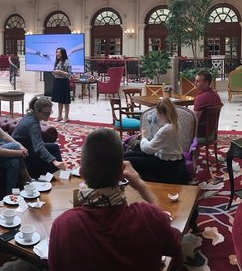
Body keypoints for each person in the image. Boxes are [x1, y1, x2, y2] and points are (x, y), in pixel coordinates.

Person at [49, 128, 182, 271]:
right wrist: (140, 184)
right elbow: (174, 243)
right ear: (121, 172)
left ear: (81, 173)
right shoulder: (149, 216)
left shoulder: (64, 225)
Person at [124, 98, 186, 184]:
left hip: (168, 163)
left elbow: (148, 149)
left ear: (161, 114)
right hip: (167, 157)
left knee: (128, 160)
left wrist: (143, 136)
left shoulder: (167, 129)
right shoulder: (175, 124)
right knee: (127, 155)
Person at [12, 97, 66, 177]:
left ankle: (55, 175)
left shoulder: (30, 115)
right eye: (46, 113)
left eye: (50, 112)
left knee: (54, 147)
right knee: (50, 156)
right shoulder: (33, 124)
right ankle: (51, 177)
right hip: (24, 153)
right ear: (38, 111)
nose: (48, 116)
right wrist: (54, 161)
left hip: (28, 147)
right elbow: (38, 146)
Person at [193, 70, 222, 136]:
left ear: (206, 82)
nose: (195, 83)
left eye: (198, 81)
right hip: (212, 131)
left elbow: (195, 120)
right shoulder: (215, 95)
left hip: (201, 132)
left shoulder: (201, 98)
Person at [51, 47, 72, 122]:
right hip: (57, 81)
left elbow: (69, 75)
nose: (57, 54)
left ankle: (66, 117)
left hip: (64, 82)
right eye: (56, 52)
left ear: (63, 53)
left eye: (59, 52)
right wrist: (54, 72)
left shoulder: (67, 62)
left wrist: (60, 72)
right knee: (59, 100)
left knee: (65, 100)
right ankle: (59, 116)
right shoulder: (56, 62)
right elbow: (54, 71)